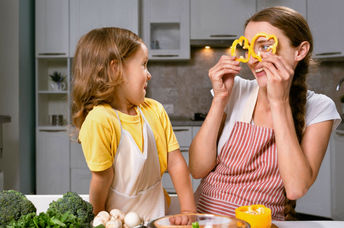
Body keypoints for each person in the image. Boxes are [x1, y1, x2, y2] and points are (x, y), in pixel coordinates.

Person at [189, 6, 341, 221]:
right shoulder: (237, 89)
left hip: (262, 223)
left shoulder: (320, 108)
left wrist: (279, 102)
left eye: (266, 46)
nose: (253, 59)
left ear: (300, 51)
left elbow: (296, 188)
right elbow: (197, 169)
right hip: (205, 218)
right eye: (249, 48)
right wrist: (219, 99)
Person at [72, 27, 196, 222]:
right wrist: (98, 219)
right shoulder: (100, 120)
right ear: (115, 69)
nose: (149, 74)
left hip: (158, 218)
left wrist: (188, 210)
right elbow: (101, 180)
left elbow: (176, 163)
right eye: (143, 65)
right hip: (119, 223)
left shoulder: (154, 110)